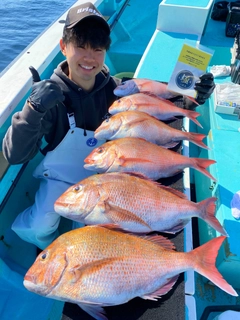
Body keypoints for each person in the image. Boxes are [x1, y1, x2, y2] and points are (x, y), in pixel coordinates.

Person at [2, 2, 215, 250]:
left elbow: (155, 98)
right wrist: (33, 108)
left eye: (98, 49)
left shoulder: (116, 89)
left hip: (110, 175)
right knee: (38, 225)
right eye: (80, 46)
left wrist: (193, 93)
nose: (89, 58)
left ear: (105, 52)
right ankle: (51, 251)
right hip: (62, 179)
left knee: (117, 232)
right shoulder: (50, 98)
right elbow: (15, 155)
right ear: (63, 47)